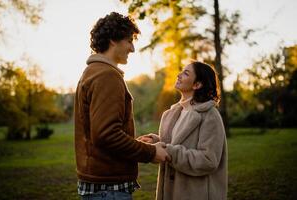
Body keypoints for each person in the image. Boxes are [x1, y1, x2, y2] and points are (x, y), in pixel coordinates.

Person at [74, 12, 169, 200]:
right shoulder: (106, 76)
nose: (132, 48)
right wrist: (150, 153)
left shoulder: (92, 72)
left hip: (102, 186)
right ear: (113, 41)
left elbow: (101, 131)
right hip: (108, 189)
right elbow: (106, 134)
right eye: (129, 41)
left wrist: (134, 143)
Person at [139, 61, 228, 200]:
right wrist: (157, 142)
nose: (179, 75)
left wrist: (168, 151)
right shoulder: (173, 113)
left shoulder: (210, 115)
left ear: (197, 85)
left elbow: (208, 160)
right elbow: (175, 143)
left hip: (196, 193)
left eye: (186, 73)